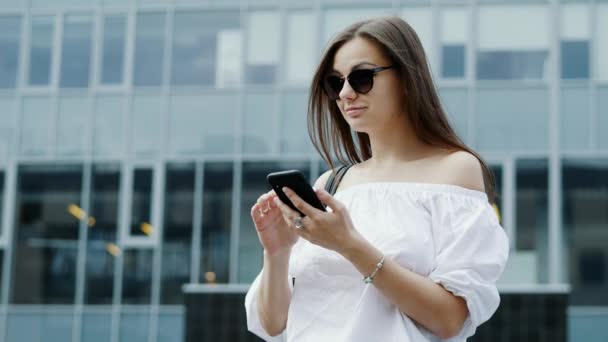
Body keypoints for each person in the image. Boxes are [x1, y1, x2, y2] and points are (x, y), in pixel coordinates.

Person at [245, 16, 509, 342]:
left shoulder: (454, 170)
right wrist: (277, 251)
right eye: (335, 82)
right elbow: (273, 324)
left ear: (407, 78)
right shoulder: (332, 184)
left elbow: (450, 318)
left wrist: (349, 244)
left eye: (362, 77)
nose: (345, 93)